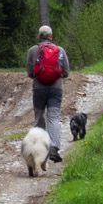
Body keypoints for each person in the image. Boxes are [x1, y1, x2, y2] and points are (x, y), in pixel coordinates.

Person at [25, 25, 70, 162]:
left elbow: (30, 72)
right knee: (53, 118)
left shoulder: (33, 50)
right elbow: (66, 72)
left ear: (39, 36)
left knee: (39, 118)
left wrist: (39, 78)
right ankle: (54, 148)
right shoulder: (60, 50)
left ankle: (39, 151)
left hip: (39, 89)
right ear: (51, 36)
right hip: (56, 89)